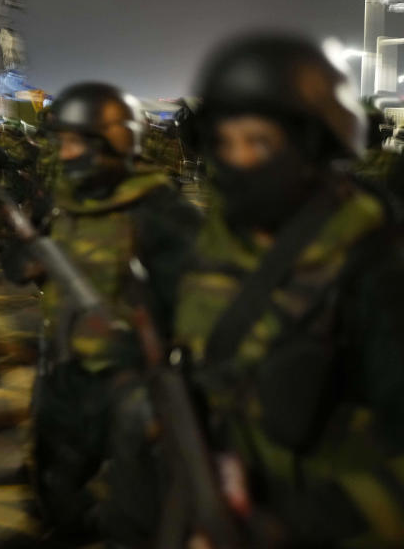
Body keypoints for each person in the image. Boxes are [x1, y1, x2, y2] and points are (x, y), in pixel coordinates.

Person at [158, 32, 404, 546]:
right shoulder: (211, 244)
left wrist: (299, 522)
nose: (240, 159)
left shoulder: (374, 259)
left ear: (311, 143)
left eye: (260, 142)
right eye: (226, 143)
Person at [2, 82, 201, 545]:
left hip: (133, 383)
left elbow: (202, 309)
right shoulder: (63, 202)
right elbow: (15, 260)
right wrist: (28, 261)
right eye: (63, 142)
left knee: (137, 512)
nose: (66, 155)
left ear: (114, 142)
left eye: (77, 143)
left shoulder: (160, 210)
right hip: (67, 369)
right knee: (52, 487)